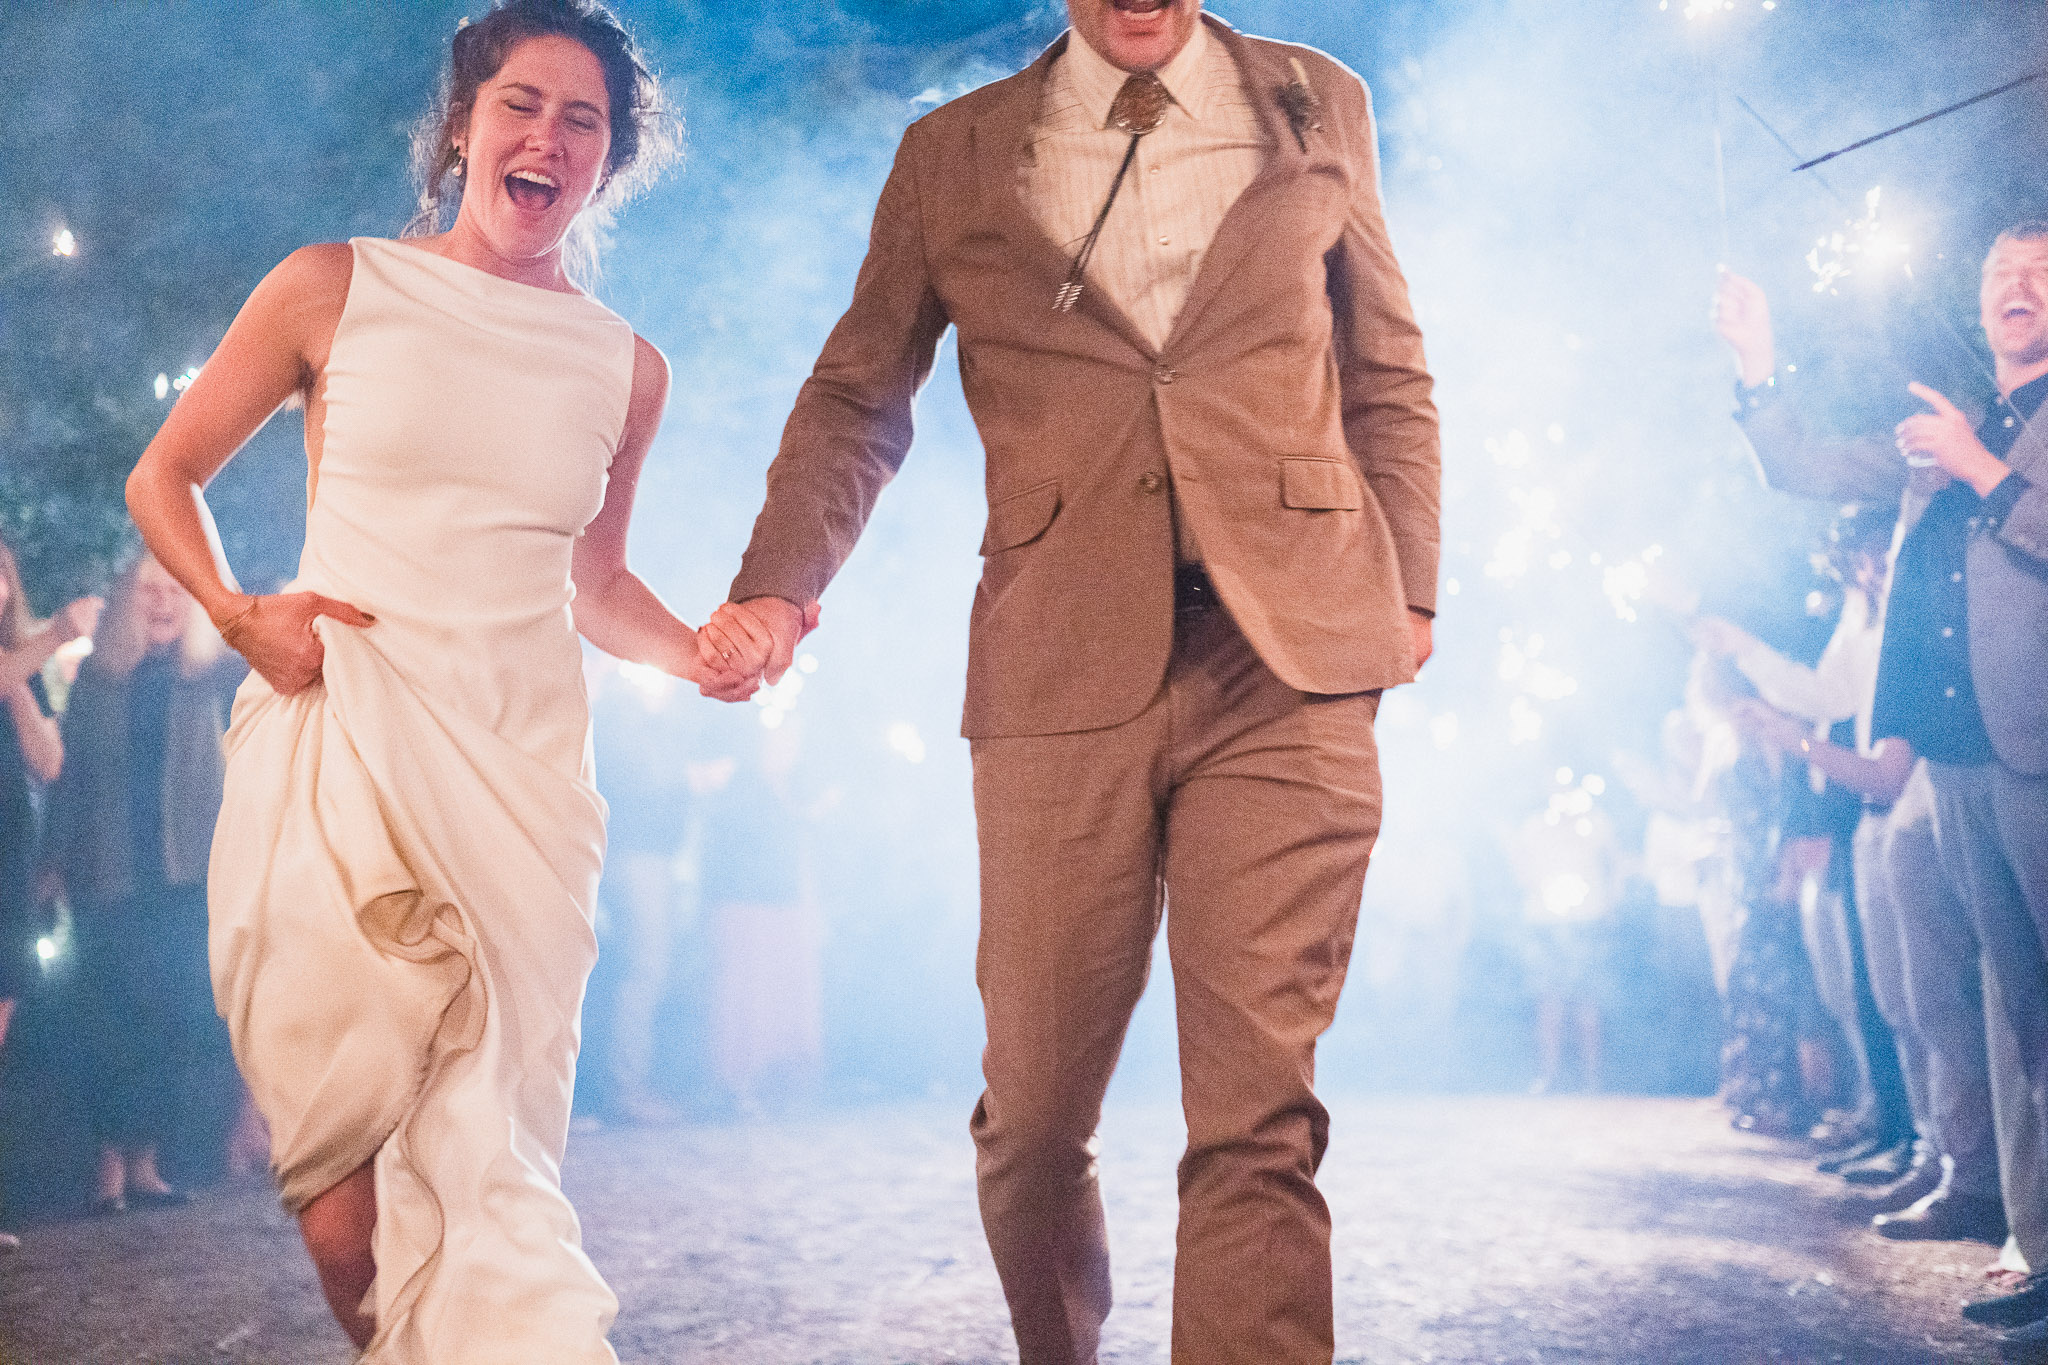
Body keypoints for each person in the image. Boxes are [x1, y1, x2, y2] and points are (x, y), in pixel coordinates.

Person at [700, 2, 1440, 1360]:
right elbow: (859, 395)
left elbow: (1386, 367)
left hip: (1288, 663)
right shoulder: (953, 153)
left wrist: (1408, 587)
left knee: (1258, 1117)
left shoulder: (1316, 99)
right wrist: (776, 584)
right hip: (1056, 663)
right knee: (1034, 1117)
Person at [122, 2, 755, 1357]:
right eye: (521, 104)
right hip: (335, 748)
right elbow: (162, 475)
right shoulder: (332, 286)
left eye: (582, 122)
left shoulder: (626, 368)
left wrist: (698, 651)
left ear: (607, 161)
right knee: (339, 1209)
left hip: (517, 789)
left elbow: (596, 586)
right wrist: (237, 614)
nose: (548, 138)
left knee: (480, 1182)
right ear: (464, 124)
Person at [1716, 227, 2048, 1333]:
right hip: (1953, 757)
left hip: (2039, 745)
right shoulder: (1949, 426)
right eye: (2000, 272)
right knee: (2016, 1014)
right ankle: (2032, 1244)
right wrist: (1758, 362)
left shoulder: (1977, 445)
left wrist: (1983, 469)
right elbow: (1801, 467)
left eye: (2041, 270)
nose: (2018, 284)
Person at [43, 552, 244, 1216]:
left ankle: (148, 1164)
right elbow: (71, 780)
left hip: (186, 875)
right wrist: (52, 863)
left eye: (176, 590)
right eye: (150, 590)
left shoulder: (214, 679)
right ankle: (109, 1167)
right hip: (107, 876)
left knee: (170, 1018)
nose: (163, 602)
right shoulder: (99, 683)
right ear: (128, 601)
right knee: (109, 1018)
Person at [0, 538, 98, 1057]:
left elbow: (49, 760)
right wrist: (58, 632)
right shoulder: (24, 659)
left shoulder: (22, 667)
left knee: (6, 984)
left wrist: (15, 678)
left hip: (10, 846)